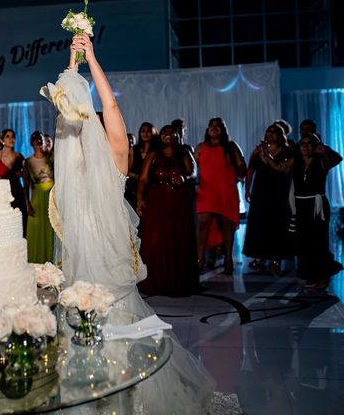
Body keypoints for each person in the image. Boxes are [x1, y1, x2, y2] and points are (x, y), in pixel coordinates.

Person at [47, 33, 214, 414]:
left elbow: (84, 108)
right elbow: (92, 106)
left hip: (98, 260)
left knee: (98, 320)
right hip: (96, 261)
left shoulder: (94, 159)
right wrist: (82, 61)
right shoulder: (108, 160)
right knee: (102, 318)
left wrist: (80, 62)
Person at [259, 133, 343, 289]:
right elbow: (278, 166)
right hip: (301, 204)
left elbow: (337, 158)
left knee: (318, 241)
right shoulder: (295, 162)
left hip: (317, 205)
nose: (305, 146)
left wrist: (323, 149)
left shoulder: (321, 161)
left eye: (309, 143)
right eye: (302, 143)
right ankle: (309, 274)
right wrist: (266, 154)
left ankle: (322, 276)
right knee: (303, 241)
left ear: (315, 146)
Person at [136, 125, 200, 295]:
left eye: (172, 132)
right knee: (155, 240)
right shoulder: (153, 155)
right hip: (156, 201)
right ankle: (155, 281)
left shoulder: (184, 153)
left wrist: (184, 178)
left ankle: (176, 282)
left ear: (177, 136)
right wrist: (140, 198)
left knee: (177, 239)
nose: (168, 134)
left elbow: (193, 172)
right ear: (160, 136)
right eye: (165, 132)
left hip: (177, 202)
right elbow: (143, 178)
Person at [195, 117, 246, 275]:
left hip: (226, 190)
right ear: (207, 129)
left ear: (223, 129)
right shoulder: (201, 147)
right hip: (207, 190)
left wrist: (240, 175)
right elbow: (191, 166)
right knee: (203, 224)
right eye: (211, 125)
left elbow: (241, 165)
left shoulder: (231, 146)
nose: (214, 128)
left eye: (218, 126)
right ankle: (199, 258)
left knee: (226, 225)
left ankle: (228, 259)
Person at [243, 123, 293, 274]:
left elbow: (288, 172)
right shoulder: (258, 150)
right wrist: (247, 190)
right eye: (268, 131)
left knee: (277, 224)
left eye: (274, 132)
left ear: (280, 135)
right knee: (259, 223)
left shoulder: (286, 151)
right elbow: (250, 169)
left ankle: (275, 258)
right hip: (260, 191)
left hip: (278, 191)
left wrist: (290, 195)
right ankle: (260, 256)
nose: (270, 134)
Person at [24, 131, 54, 263]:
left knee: (51, 227)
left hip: (52, 196)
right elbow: (26, 186)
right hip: (38, 199)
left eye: (40, 138)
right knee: (38, 230)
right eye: (35, 138)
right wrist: (27, 205)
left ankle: (52, 259)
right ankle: (38, 262)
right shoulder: (28, 161)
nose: (38, 140)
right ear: (31, 143)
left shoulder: (51, 158)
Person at [0, 128, 27, 236]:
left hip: (17, 190)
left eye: (13, 136)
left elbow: (26, 175)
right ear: (2, 139)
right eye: (7, 137)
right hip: (4, 192)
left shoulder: (19, 156)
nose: (11, 139)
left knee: (21, 221)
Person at [125, 122, 159, 211]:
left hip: (151, 186)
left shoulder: (157, 151)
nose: (145, 133)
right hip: (134, 188)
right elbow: (126, 171)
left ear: (154, 133)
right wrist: (136, 176)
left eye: (148, 131)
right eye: (143, 131)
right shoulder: (134, 149)